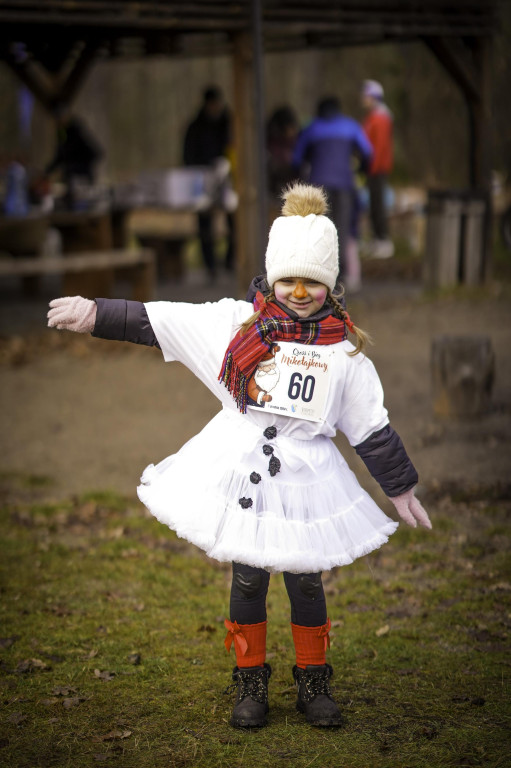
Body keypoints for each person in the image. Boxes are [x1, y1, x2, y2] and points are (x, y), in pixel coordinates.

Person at [47, 182, 431, 730]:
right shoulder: (237, 328)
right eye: (289, 280)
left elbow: (370, 426)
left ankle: (314, 683)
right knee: (247, 577)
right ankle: (250, 683)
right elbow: (163, 321)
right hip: (244, 466)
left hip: (307, 477)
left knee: (305, 578)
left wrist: (400, 486)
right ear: (273, 278)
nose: (300, 292)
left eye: (312, 282)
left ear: (331, 284)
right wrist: (95, 314)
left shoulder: (343, 351)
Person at [292, 97, 372, 286]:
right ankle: (343, 274)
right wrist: (361, 170)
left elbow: (296, 159)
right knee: (343, 229)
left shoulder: (312, 128)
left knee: (320, 229)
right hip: (345, 184)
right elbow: (368, 152)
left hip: (318, 187)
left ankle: (323, 274)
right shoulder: (350, 126)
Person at [183, 86, 236, 278]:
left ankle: (231, 261)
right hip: (202, 178)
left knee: (235, 218)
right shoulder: (196, 126)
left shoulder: (229, 123)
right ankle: (210, 265)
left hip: (228, 177)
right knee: (205, 221)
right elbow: (188, 155)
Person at [360, 80, 395, 259]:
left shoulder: (380, 118)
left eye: (365, 95)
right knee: (373, 204)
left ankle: (383, 240)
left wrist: (372, 167)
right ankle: (377, 239)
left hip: (377, 168)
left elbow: (379, 146)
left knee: (378, 204)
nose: (362, 98)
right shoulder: (374, 116)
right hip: (373, 167)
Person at [45, 105, 103, 206]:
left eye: (61, 118)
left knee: (80, 197)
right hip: (72, 175)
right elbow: (61, 155)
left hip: (82, 174)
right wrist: (48, 171)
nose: (59, 122)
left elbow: (95, 153)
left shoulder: (76, 131)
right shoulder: (62, 133)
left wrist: (78, 167)